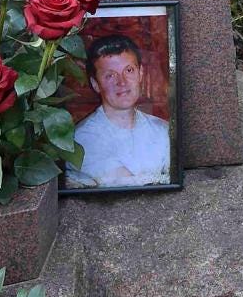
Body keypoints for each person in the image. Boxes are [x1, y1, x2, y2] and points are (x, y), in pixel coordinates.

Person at [66, 33, 170, 188]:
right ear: (95, 84)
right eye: (110, 75)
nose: (122, 82)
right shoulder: (81, 140)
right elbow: (128, 186)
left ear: (140, 73)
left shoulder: (163, 130)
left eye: (129, 70)